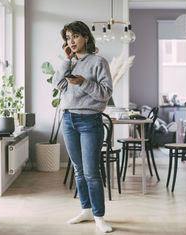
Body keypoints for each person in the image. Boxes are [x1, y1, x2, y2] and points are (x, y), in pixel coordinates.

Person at [53, 21, 113, 233]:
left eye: (75, 36)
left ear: (86, 37)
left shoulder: (99, 61)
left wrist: (83, 83)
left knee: (91, 172)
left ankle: (99, 216)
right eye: (68, 38)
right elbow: (58, 84)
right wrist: (66, 61)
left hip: (90, 121)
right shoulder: (71, 62)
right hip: (68, 119)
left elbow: (105, 93)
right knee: (79, 171)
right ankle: (86, 209)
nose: (72, 41)